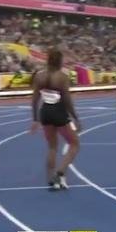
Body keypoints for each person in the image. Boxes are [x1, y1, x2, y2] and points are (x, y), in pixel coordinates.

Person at [30, 48, 80, 190]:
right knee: (74, 144)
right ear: (60, 61)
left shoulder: (39, 76)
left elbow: (34, 101)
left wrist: (35, 119)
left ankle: (50, 179)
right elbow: (67, 101)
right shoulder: (62, 77)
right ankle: (60, 172)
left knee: (52, 147)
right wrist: (76, 117)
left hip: (45, 112)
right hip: (59, 111)